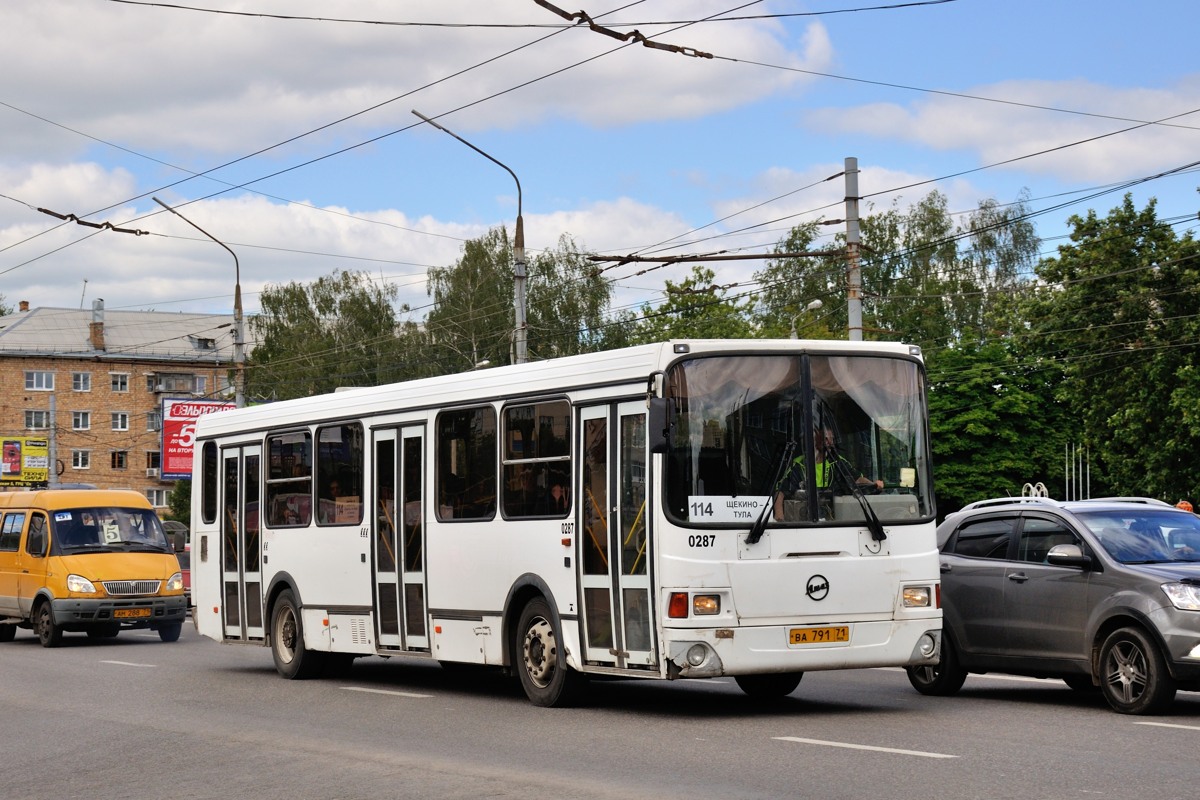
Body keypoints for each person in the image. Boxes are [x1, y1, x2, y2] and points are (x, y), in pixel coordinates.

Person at [773, 428, 882, 521]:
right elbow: (780, 491)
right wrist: (780, 518)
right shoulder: (798, 464)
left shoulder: (837, 462)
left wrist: (874, 484)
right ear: (813, 439)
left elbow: (857, 479)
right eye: (826, 438)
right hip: (803, 523)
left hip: (834, 521)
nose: (830, 442)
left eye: (832, 439)